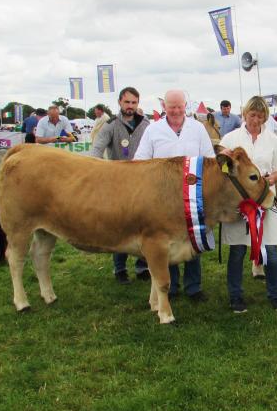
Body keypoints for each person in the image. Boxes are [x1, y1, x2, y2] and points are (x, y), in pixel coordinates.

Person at [134, 89, 215, 302]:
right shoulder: (153, 130)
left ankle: (194, 287)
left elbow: (210, 159)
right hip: (162, 198)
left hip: (193, 196)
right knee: (166, 242)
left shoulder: (197, 128)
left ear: (185, 106)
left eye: (180, 106)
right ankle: (170, 286)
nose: (176, 111)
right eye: (172, 107)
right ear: (164, 107)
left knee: (193, 240)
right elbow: (140, 160)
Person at [219, 95, 277, 312]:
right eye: (252, 115)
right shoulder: (230, 138)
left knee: (271, 253)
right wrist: (223, 155)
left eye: (260, 116)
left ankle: (276, 297)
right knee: (238, 251)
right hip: (240, 204)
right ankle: (236, 297)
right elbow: (220, 168)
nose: (255, 120)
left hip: (265, 202)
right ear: (245, 114)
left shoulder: (274, 140)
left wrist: (269, 180)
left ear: (266, 117)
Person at [92, 87, 151, 283]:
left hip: (143, 185)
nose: (130, 106)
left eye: (134, 103)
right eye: (127, 102)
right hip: (118, 186)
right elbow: (96, 151)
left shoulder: (146, 125)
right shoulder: (110, 126)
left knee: (144, 225)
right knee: (120, 227)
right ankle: (120, 269)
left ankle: (143, 266)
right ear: (119, 102)